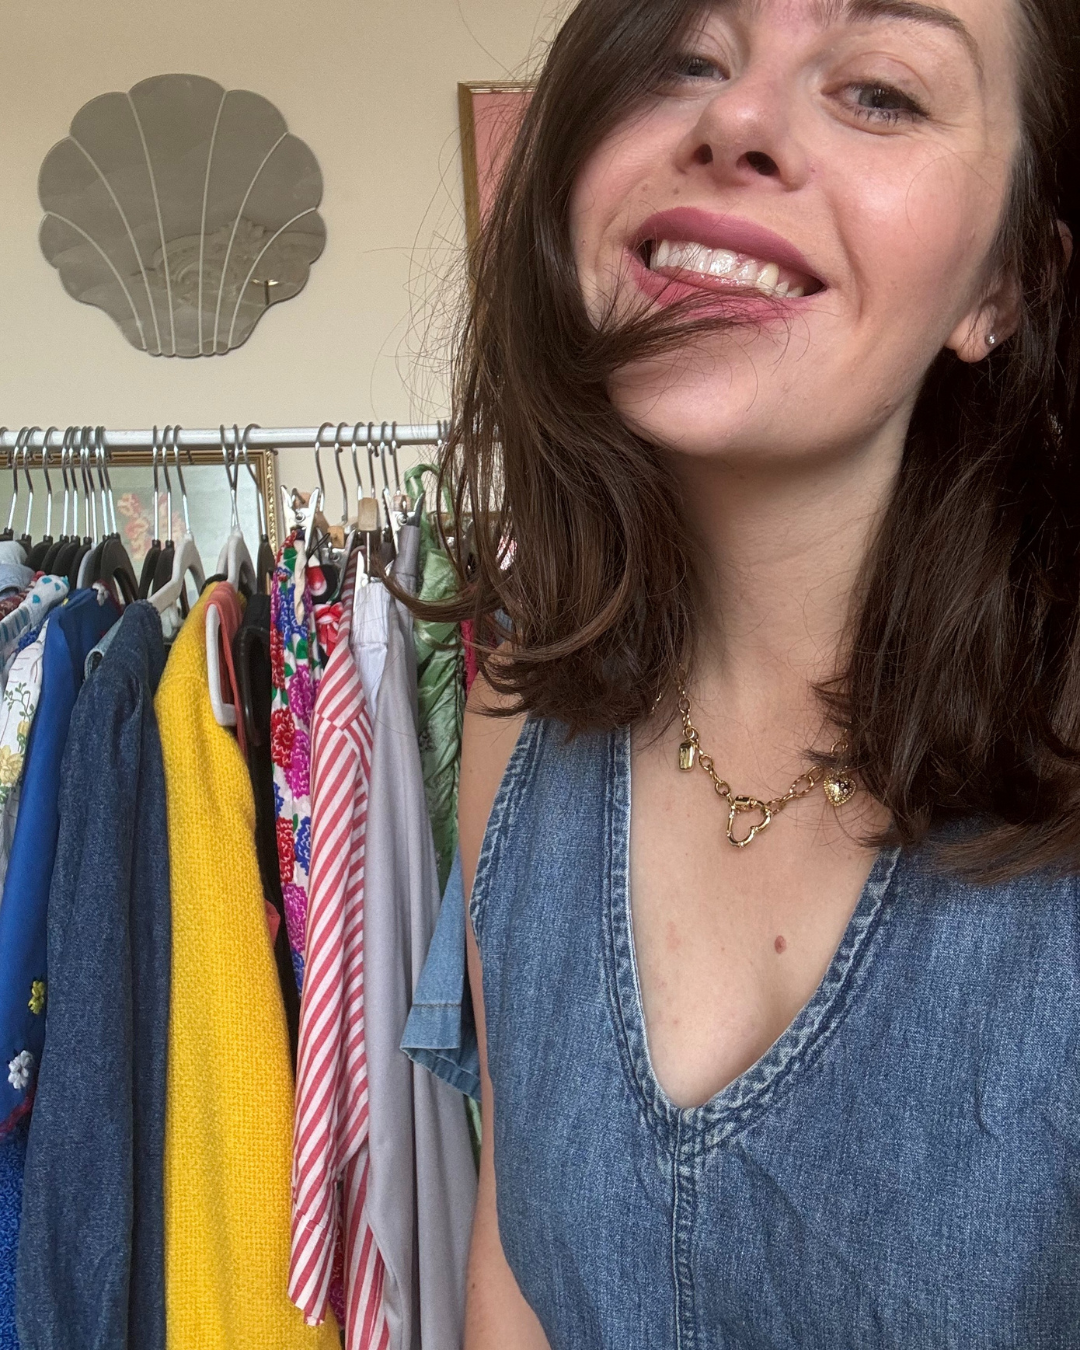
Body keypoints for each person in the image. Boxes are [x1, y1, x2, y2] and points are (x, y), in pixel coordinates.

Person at [426, 0, 1080, 1343]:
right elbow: (510, 1264)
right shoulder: (515, 709)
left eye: (883, 91)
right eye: (686, 57)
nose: (734, 118)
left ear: (1003, 285)